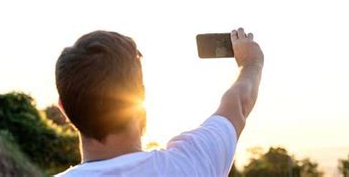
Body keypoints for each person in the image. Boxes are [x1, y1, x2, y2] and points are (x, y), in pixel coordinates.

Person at [55, 27, 264, 176]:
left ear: (63, 109)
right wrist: (251, 63)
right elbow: (239, 103)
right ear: (141, 96)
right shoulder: (191, 164)